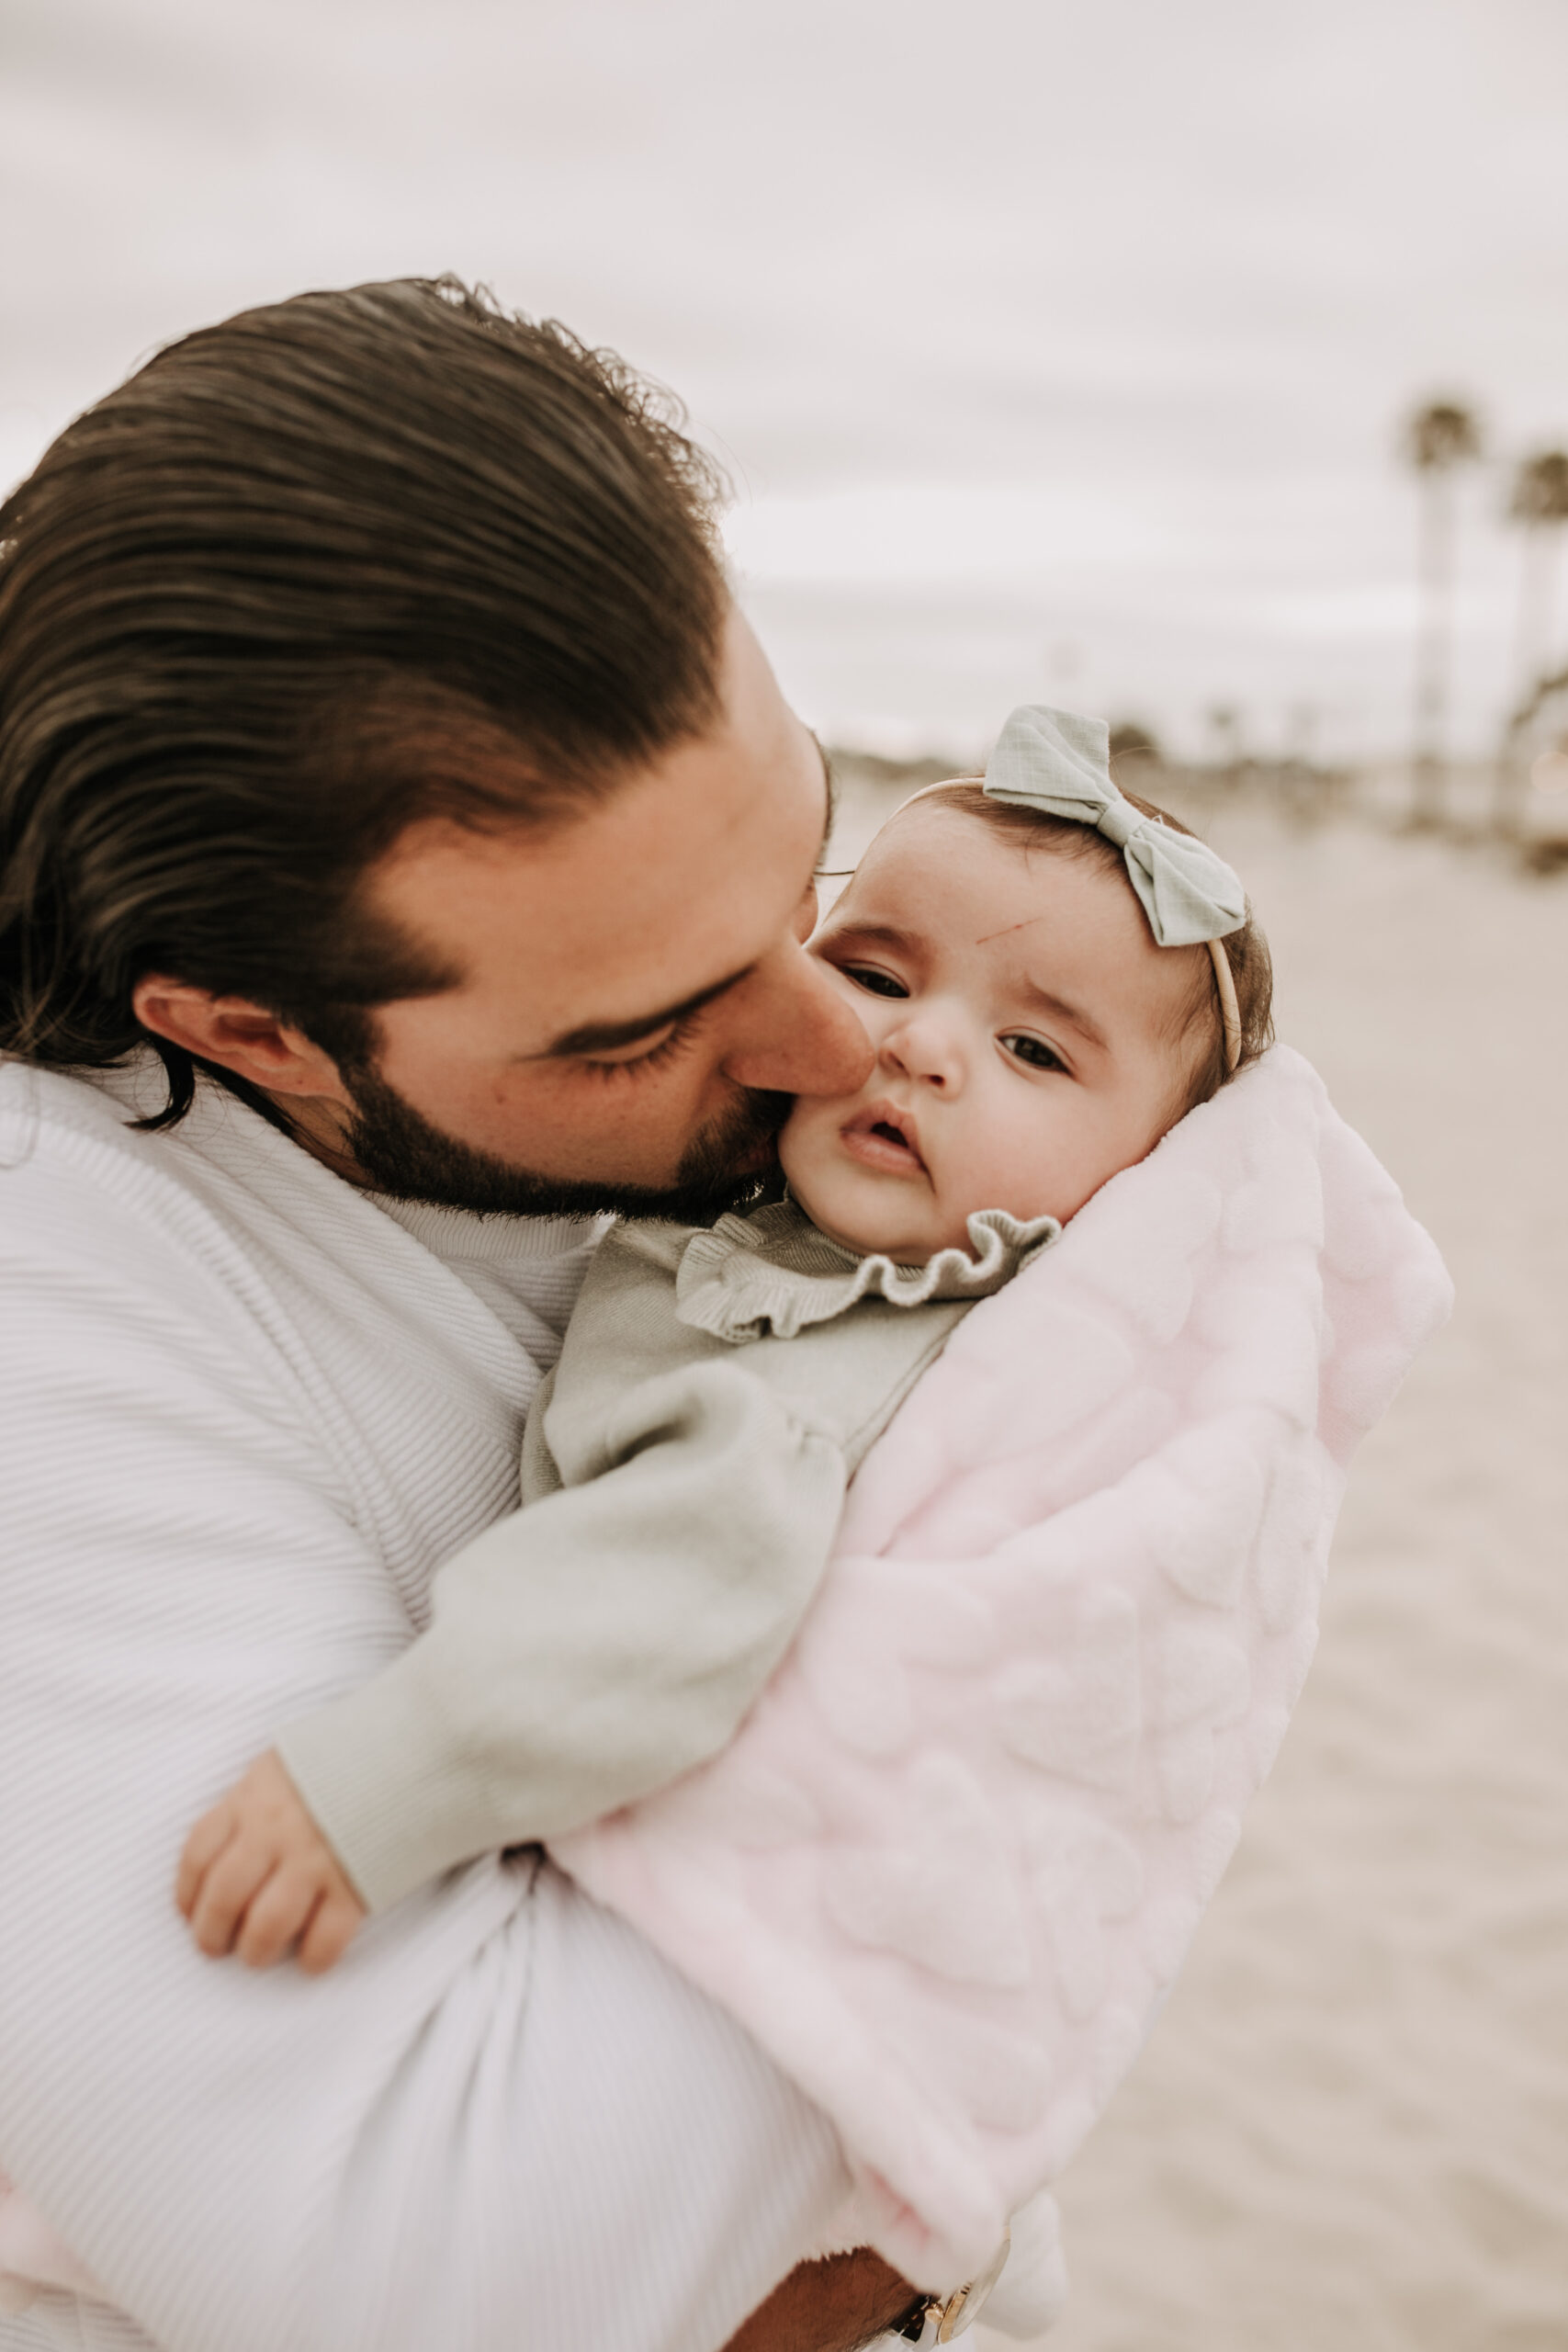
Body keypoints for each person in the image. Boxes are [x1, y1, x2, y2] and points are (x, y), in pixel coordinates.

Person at [0, 276, 924, 2352]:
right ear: (246, 1027)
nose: (831, 1035)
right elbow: (434, 2274)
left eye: (806, 865)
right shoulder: (40, 1277)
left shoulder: (665, 1137)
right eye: (648, 1027)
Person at [173, 710, 1272, 1988]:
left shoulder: (844, 1354)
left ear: (1141, 1177)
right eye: (877, 977)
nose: (920, 1045)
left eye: (1032, 1049)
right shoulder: (773, 1225)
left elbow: (666, 1597)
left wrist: (381, 1781)